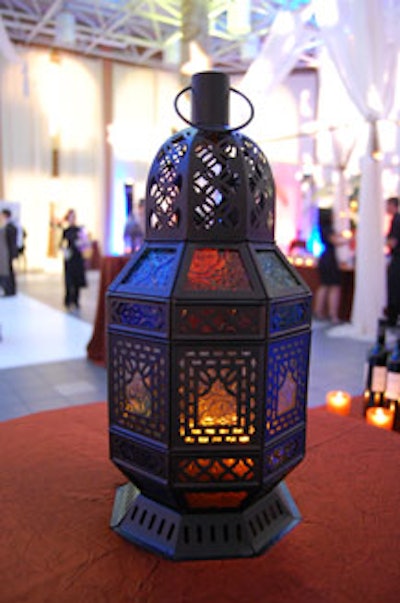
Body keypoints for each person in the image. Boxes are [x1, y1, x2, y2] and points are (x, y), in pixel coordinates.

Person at [314, 208, 350, 324]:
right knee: (334, 286)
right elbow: (335, 241)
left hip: (324, 259)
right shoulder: (328, 229)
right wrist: (348, 240)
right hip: (330, 260)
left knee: (324, 285)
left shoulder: (322, 228)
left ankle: (319, 311)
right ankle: (332, 314)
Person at [60, 209, 87, 309]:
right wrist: (64, 250)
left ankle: (76, 300)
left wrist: (82, 244)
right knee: (69, 279)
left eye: (73, 217)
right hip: (69, 257)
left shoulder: (80, 229)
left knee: (77, 280)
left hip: (78, 257)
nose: (72, 219)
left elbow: (85, 243)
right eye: (70, 217)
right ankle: (68, 299)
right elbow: (61, 244)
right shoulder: (66, 231)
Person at [385, 196, 400, 326]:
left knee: (394, 289)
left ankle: (392, 319)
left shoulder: (396, 220)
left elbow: (392, 242)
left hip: (397, 260)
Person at [0, 209, 18, 296]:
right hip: (3, 252)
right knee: (5, 271)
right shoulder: (4, 226)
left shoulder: (11, 227)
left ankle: (10, 290)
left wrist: (13, 254)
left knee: (9, 271)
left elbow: (12, 243)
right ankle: (6, 289)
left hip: (7, 253)